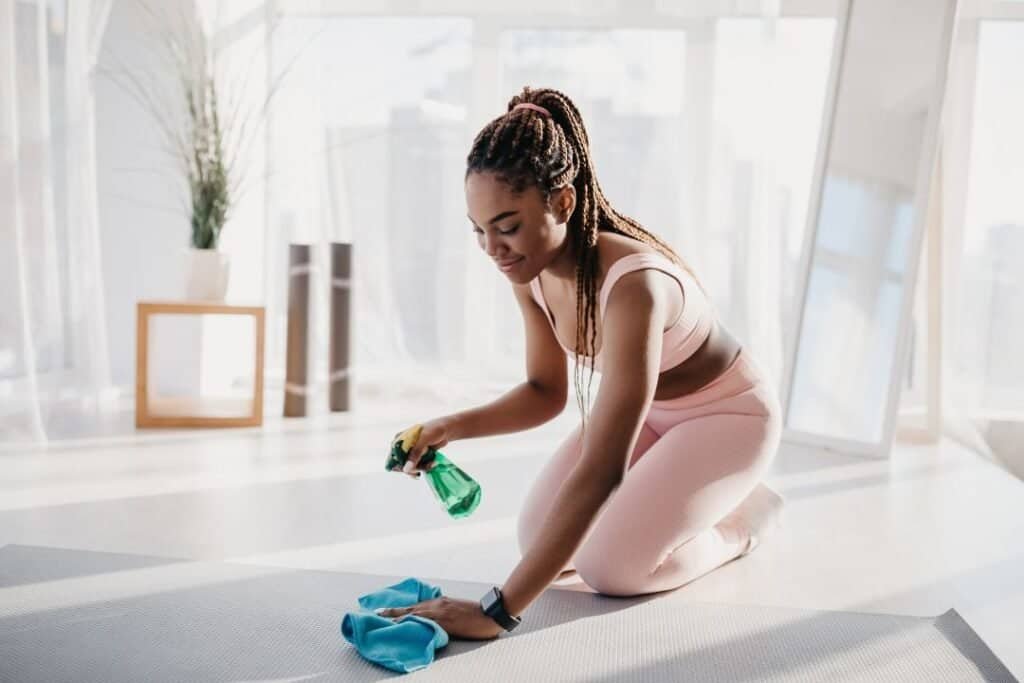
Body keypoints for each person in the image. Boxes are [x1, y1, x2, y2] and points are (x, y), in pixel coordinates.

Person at [375, 87, 784, 640]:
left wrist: (497, 611)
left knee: (610, 568)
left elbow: (604, 466)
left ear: (562, 203)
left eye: (507, 225)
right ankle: (690, 497)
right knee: (537, 538)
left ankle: (740, 523)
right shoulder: (531, 270)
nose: (493, 247)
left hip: (728, 420)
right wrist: (451, 428)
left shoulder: (634, 284)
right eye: (479, 230)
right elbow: (546, 391)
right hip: (654, 420)